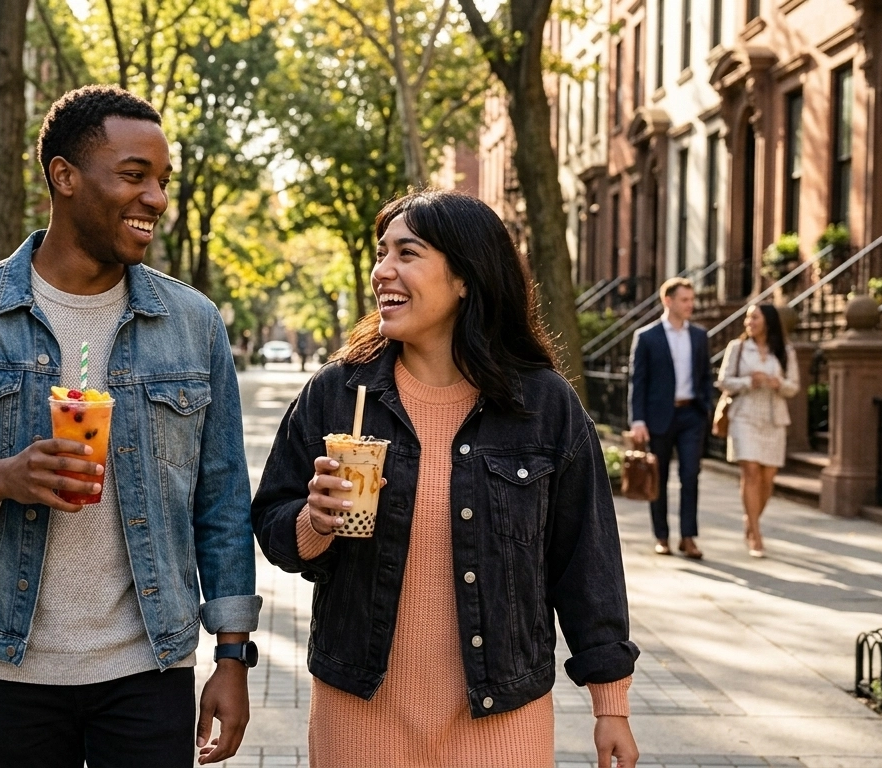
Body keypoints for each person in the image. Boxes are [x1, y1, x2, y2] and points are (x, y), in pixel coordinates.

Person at [0, 85, 260, 768]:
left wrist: (232, 656)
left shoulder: (192, 323)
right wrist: (0, 478)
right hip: (10, 667)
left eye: (162, 181)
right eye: (134, 175)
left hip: (150, 666)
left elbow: (223, 500)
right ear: (64, 176)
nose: (156, 199)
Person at [252, 191, 640, 768]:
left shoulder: (542, 404)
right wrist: (314, 521)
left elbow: (587, 560)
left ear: (465, 277)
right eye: (381, 254)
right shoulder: (339, 392)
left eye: (407, 253)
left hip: (502, 721)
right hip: (359, 717)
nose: (383, 270)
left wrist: (611, 704)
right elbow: (272, 524)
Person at [628, 277, 714, 559]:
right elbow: (637, 381)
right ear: (668, 301)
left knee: (690, 475)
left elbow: (705, 375)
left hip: (691, 414)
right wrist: (637, 420)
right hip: (658, 416)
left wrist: (705, 407)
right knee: (659, 476)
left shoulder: (699, 336)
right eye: (684, 300)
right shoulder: (647, 337)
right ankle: (661, 536)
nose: (691, 305)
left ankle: (688, 537)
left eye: (692, 299)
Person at [717, 304, 799, 558]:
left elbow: (794, 386)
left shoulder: (785, 351)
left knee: (767, 478)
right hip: (744, 416)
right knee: (751, 472)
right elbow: (723, 381)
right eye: (747, 317)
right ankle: (755, 533)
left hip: (773, 419)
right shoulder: (737, 347)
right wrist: (747, 381)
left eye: (754, 317)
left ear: (768, 321)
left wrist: (778, 383)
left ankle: (750, 519)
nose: (749, 322)